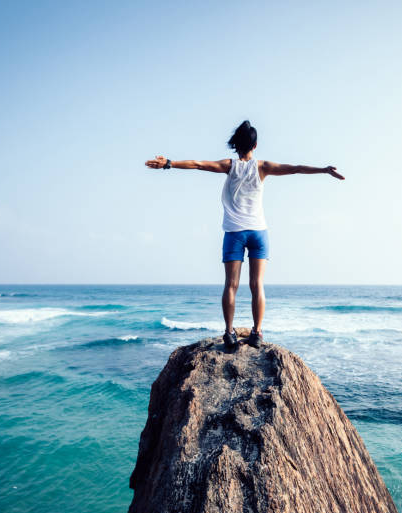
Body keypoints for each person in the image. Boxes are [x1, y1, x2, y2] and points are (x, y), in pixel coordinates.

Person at [144, 120, 345, 350]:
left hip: (234, 233)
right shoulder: (263, 167)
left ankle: (229, 332)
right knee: (257, 284)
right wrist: (324, 170)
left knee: (231, 285)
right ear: (255, 144)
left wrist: (169, 163)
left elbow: (198, 164)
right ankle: (257, 332)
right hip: (259, 232)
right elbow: (295, 168)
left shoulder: (229, 166)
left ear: (235, 144)